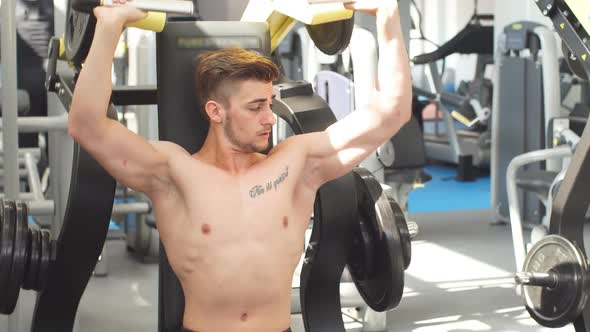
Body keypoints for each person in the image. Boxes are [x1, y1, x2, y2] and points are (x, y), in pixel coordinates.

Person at [67, 0, 411, 331]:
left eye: (270, 104)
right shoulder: (174, 174)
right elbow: (87, 125)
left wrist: (387, 14)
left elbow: (392, 112)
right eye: (256, 107)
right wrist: (110, 26)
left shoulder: (296, 164)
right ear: (216, 111)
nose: (268, 117)